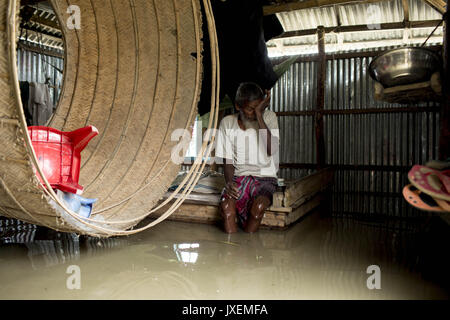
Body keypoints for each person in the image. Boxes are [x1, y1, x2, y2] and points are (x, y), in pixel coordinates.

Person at [215, 82, 280, 233]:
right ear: (238, 106)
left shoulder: (269, 118)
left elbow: (272, 149)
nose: (254, 113)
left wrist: (259, 115)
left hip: (265, 178)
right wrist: (229, 183)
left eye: (259, 108)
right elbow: (228, 160)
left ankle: (249, 248)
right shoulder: (227, 123)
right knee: (226, 209)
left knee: (258, 208)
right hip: (239, 177)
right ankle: (231, 251)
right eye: (251, 109)